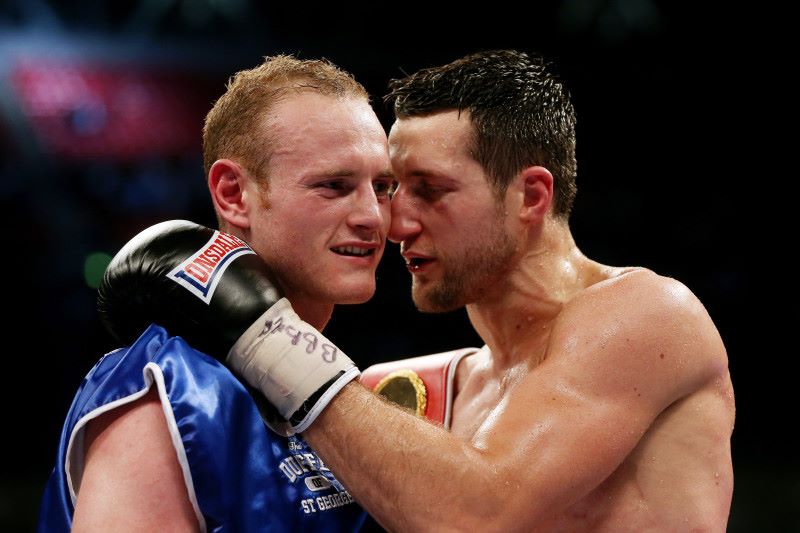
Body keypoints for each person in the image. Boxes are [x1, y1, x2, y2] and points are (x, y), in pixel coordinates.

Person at [97, 50, 735, 531]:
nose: (391, 222)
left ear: (531, 197)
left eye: (427, 190)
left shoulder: (648, 315)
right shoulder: (404, 396)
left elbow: (480, 513)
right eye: (390, 189)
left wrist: (264, 333)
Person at [38, 54, 395, 532]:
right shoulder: (164, 393)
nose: (373, 216)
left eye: (384, 186)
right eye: (334, 185)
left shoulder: (338, 386)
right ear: (233, 194)